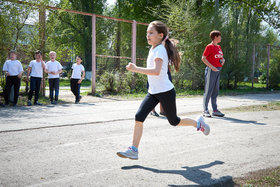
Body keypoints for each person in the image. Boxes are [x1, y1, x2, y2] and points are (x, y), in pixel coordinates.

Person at [117, 21, 210, 160]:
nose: (148, 35)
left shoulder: (160, 49)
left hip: (166, 92)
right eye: (147, 33)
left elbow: (155, 71)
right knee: (139, 116)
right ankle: (134, 150)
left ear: (161, 35)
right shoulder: (153, 49)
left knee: (174, 121)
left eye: (151, 33)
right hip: (153, 92)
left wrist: (135, 68)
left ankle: (198, 124)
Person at [201, 30, 225, 118]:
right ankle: (205, 110)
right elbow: (203, 58)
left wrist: (223, 60)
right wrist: (211, 67)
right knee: (208, 90)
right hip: (211, 70)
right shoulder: (209, 46)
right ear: (215, 37)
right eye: (220, 36)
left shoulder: (219, 47)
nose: (221, 38)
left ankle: (215, 110)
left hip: (218, 70)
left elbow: (221, 57)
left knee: (215, 90)